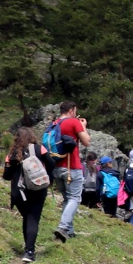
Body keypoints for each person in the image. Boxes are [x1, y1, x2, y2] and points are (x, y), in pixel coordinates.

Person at [3, 125, 53, 263]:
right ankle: (29, 252)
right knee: (33, 219)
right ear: (32, 136)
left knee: (27, 218)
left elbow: (6, 176)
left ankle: (28, 248)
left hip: (19, 193)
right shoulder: (39, 149)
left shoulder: (11, 154)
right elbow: (51, 164)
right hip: (38, 190)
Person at [51, 101, 92, 242]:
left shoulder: (55, 123)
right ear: (71, 110)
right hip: (71, 167)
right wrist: (83, 126)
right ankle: (62, 227)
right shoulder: (73, 122)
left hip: (56, 167)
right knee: (75, 198)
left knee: (67, 199)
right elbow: (87, 141)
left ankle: (69, 230)